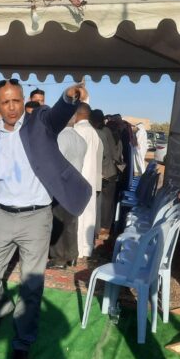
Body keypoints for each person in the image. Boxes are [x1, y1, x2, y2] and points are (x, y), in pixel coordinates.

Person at [0, 79, 91, 359]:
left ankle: (22, 342)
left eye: (16, 100)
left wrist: (69, 97)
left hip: (36, 218)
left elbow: (58, 115)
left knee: (30, 285)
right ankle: (2, 309)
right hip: (0, 215)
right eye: (6, 102)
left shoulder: (40, 123)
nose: (12, 107)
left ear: (23, 100)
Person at [48, 122, 86, 269]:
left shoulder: (61, 137)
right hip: (76, 184)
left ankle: (59, 258)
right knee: (71, 222)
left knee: (58, 221)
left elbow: (56, 161)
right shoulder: (80, 139)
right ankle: (72, 255)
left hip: (62, 185)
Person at [73, 103, 103, 259]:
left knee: (78, 214)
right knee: (89, 212)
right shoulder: (93, 132)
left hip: (78, 177)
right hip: (90, 178)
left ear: (77, 114)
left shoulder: (77, 130)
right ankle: (86, 248)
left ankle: (77, 248)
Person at [91, 109, 121, 239]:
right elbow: (114, 152)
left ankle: (103, 228)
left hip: (103, 172)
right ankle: (106, 227)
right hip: (110, 171)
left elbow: (103, 155)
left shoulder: (97, 133)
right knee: (108, 201)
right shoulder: (107, 131)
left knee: (103, 202)